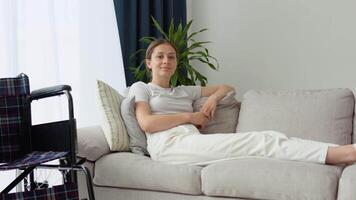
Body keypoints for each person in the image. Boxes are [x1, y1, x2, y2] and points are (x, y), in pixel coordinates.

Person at [128, 38, 356, 166]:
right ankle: (341, 155)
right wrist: (190, 117)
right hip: (168, 145)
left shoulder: (185, 91)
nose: (166, 61)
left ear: (177, 62)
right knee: (259, 140)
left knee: (272, 137)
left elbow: (226, 87)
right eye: (160, 57)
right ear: (149, 63)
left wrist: (214, 99)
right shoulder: (142, 88)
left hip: (191, 139)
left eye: (171, 56)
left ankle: (338, 150)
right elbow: (147, 123)